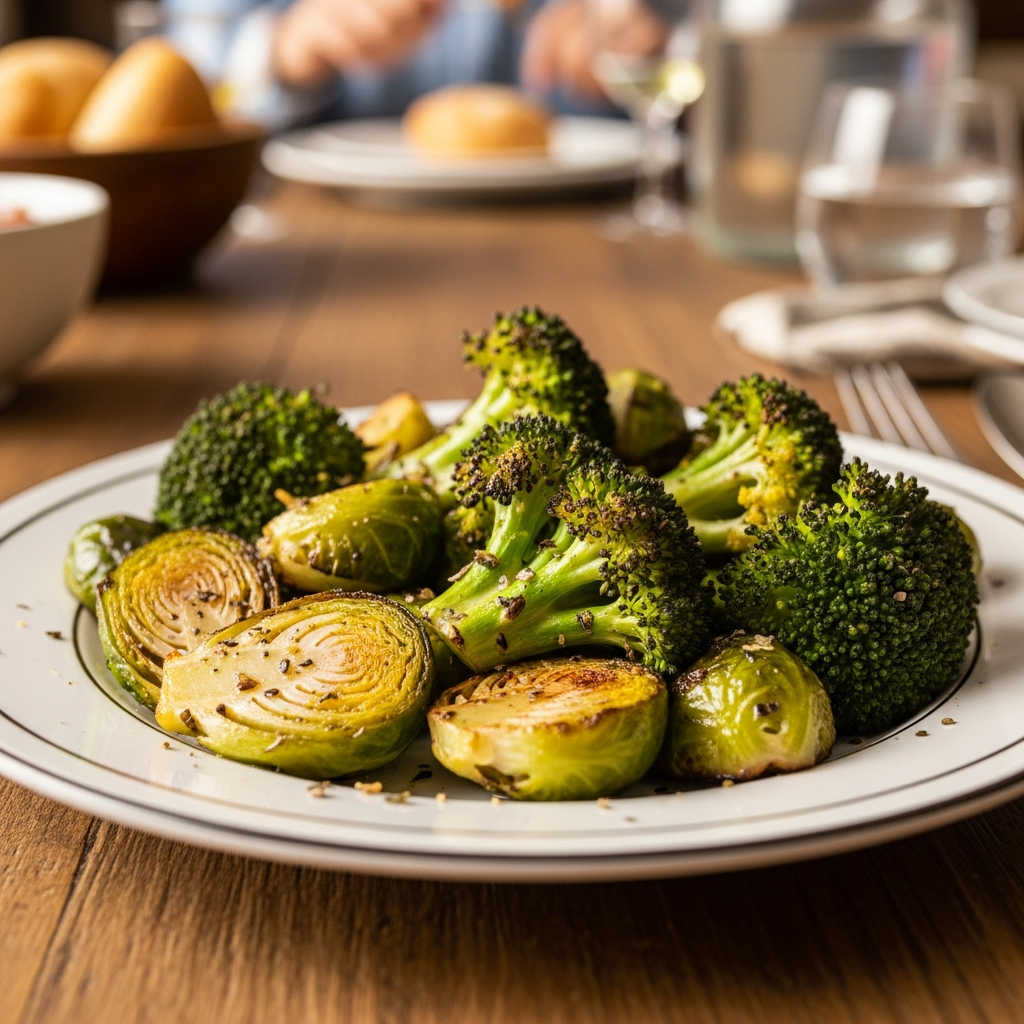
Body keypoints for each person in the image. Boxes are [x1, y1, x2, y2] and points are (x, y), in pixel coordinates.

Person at [161, 0, 621, 128]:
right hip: (318, 238)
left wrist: (627, 26)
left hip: (576, 225)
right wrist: (280, 50)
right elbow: (177, 84)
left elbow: (674, 48)